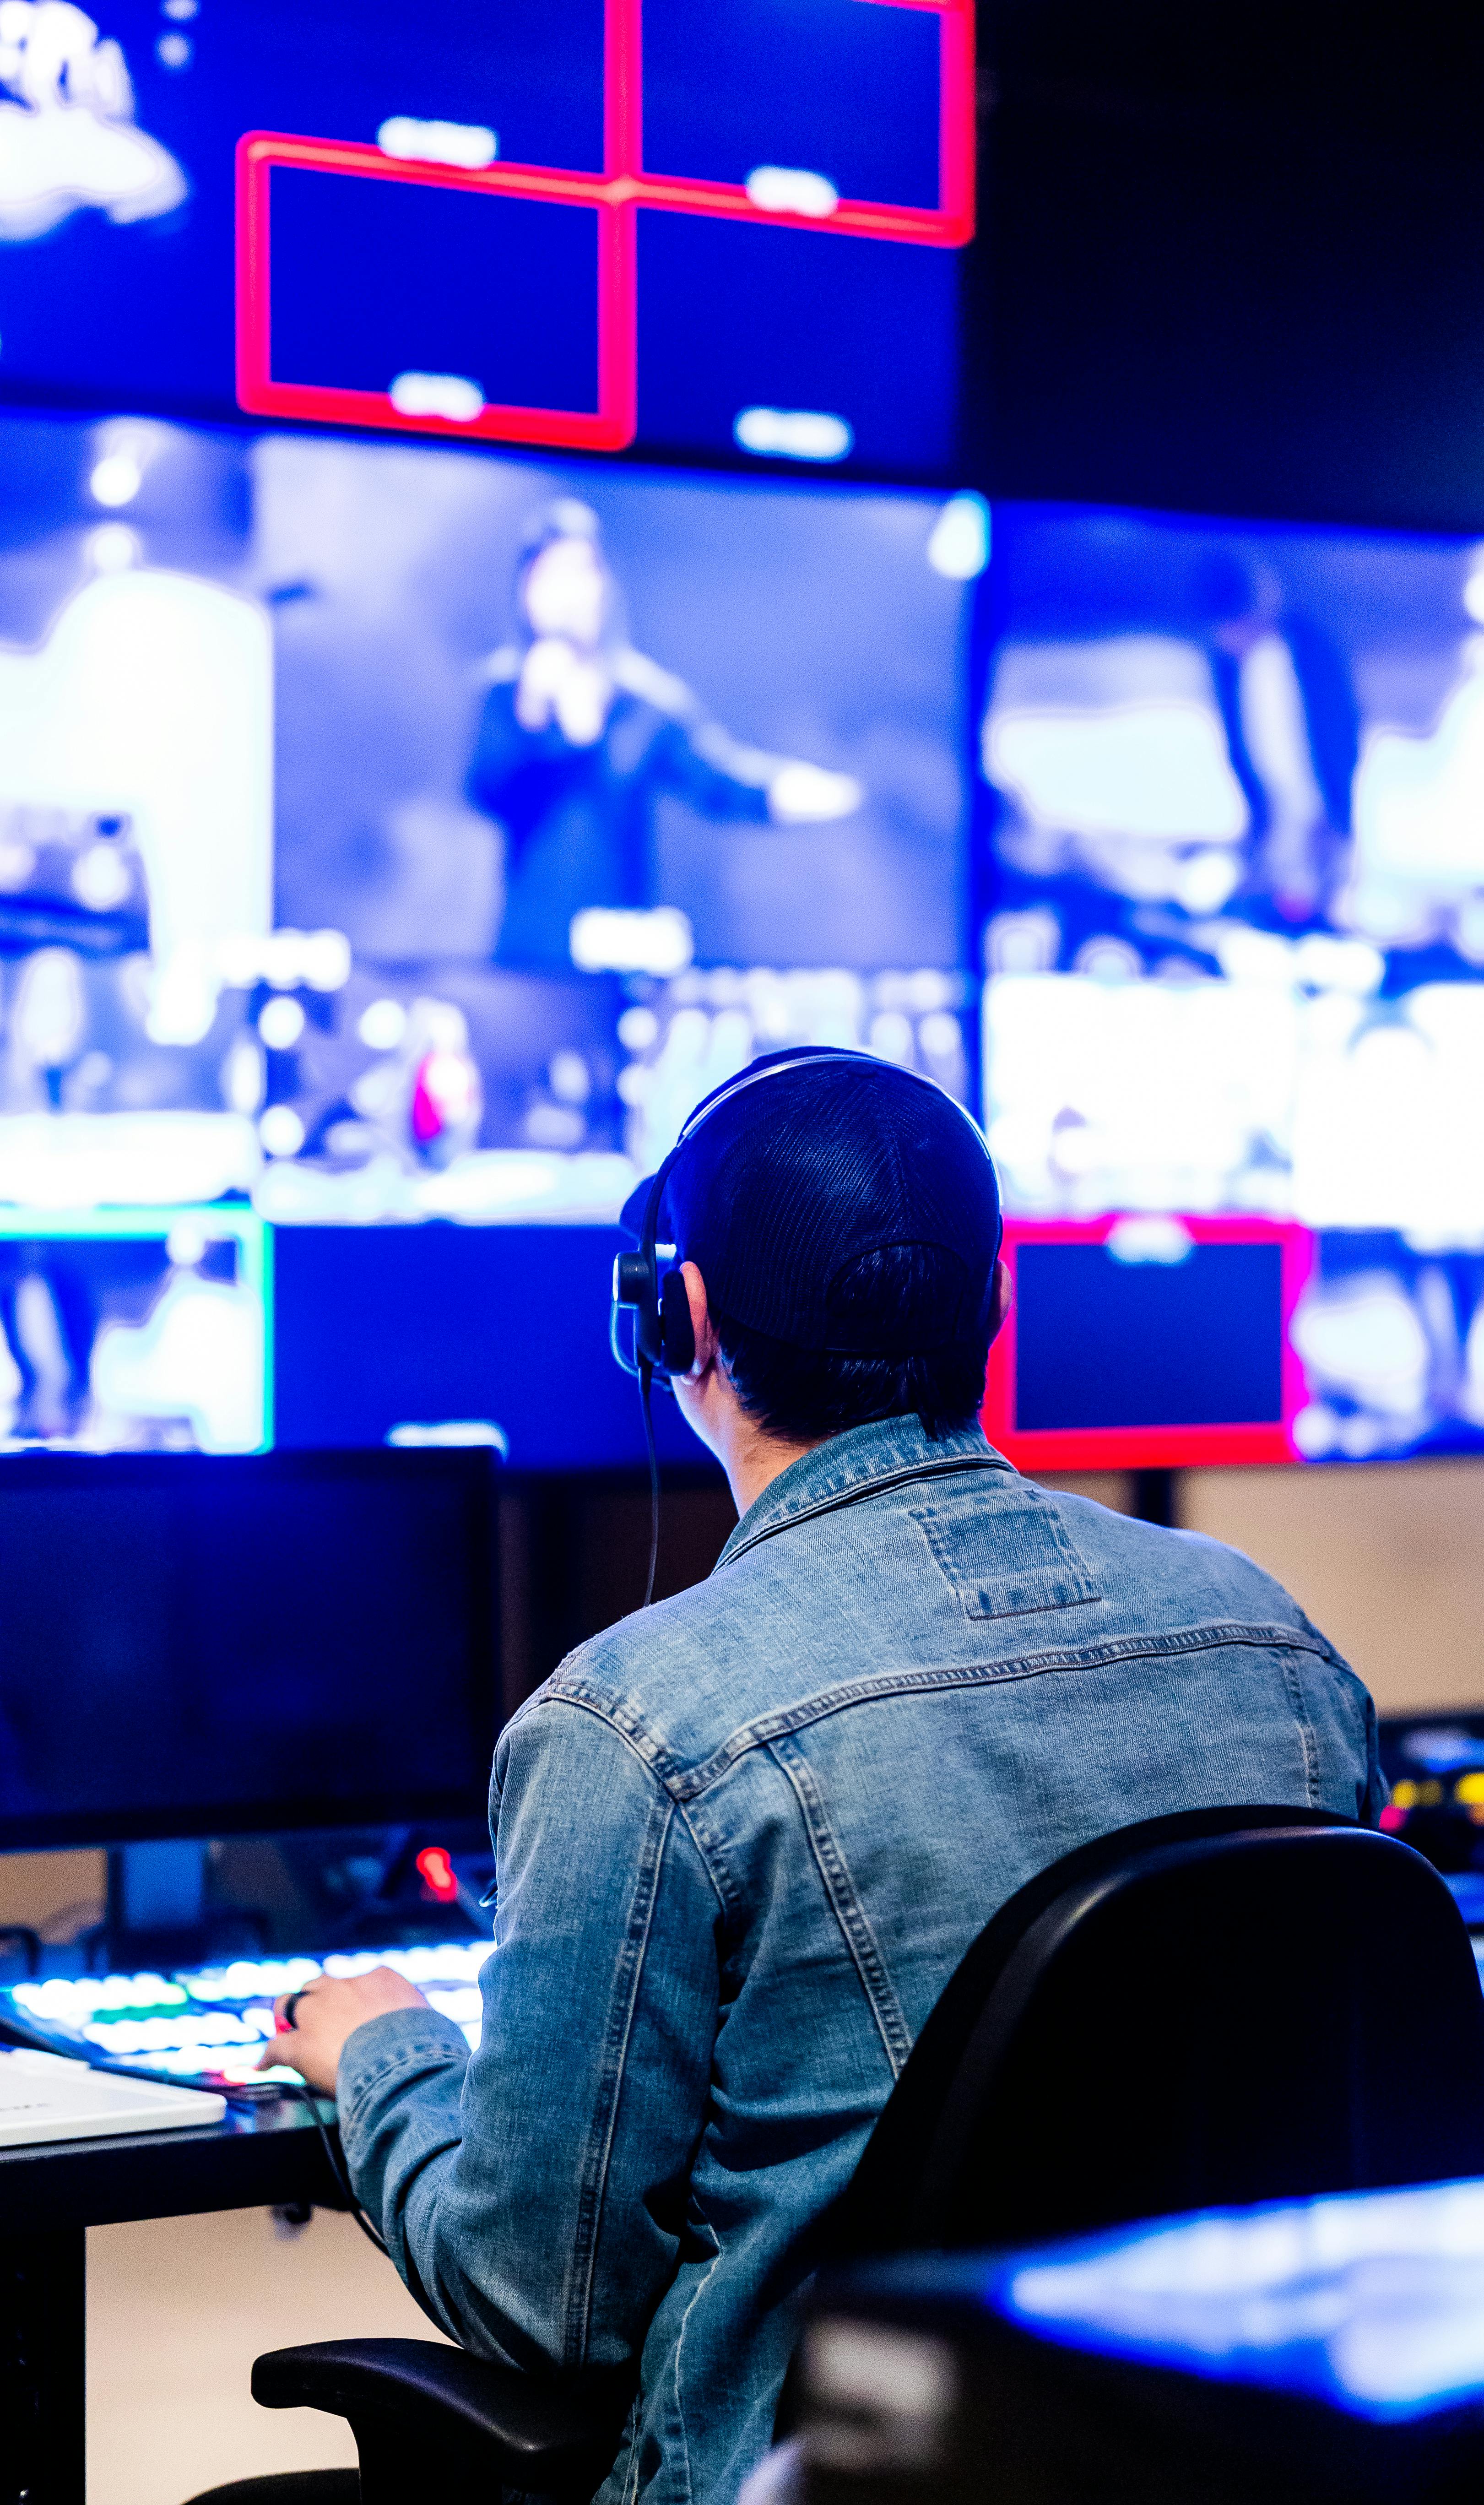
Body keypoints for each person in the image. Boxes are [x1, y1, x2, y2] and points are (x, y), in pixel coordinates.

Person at [266, 1048, 1384, 2505]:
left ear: (677, 1318)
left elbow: (541, 2301)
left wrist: (384, 2057)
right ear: (996, 1304)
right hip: (1213, 2472)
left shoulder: (633, 1721)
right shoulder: (1273, 1639)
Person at [468, 500, 863, 976]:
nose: (568, 593)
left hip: (617, 951)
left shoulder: (644, 702)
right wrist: (534, 711)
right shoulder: (505, 693)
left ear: (603, 585)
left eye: (580, 573)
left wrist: (796, 790)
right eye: (550, 576)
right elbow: (485, 792)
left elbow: (719, 778)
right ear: (525, 591)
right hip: (527, 954)